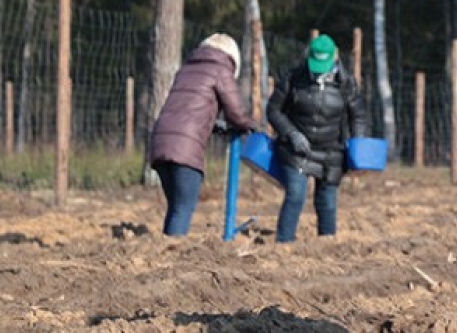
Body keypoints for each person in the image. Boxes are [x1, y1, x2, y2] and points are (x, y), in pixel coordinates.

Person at [147, 33, 258, 237]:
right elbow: (235, 110)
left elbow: (187, 108)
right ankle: (172, 255)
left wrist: (215, 124)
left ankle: (163, 252)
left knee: (175, 207)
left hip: (160, 141)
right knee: (183, 208)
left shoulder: (186, 70)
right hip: (185, 149)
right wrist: (248, 124)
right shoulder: (220, 70)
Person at [265, 33, 370, 243]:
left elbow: (358, 115)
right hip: (296, 151)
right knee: (296, 194)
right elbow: (274, 110)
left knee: (327, 201)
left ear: (335, 58)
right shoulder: (293, 78)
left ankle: (326, 245)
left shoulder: (347, 84)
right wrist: (291, 133)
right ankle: (284, 243)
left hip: (332, 152)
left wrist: (358, 146)